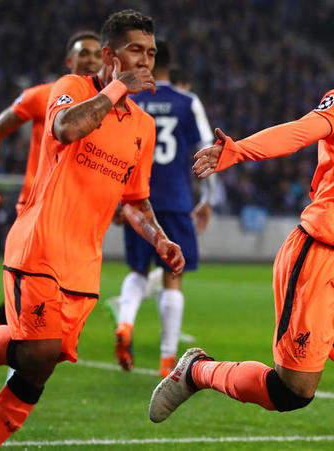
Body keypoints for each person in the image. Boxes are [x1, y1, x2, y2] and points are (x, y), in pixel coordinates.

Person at [149, 2, 334, 449]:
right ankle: (198, 371)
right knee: (291, 393)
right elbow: (303, 130)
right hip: (324, 257)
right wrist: (238, 150)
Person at [0, 10, 184, 450]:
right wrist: (118, 88)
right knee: (37, 350)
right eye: (135, 50)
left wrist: (159, 238)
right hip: (40, 244)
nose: (145, 61)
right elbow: (64, 128)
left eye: (151, 53)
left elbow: (134, 200)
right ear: (109, 55)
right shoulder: (71, 89)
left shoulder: (143, 125)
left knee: (40, 364)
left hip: (85, 263)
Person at [0, 30, 104, 402]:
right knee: (28, 314)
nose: (89, 60)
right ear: (69, 62)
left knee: (28, 313)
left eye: (96, 54)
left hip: (78, 228)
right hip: (35, 217)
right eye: (82, 54)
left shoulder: (107, 109)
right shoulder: (46, 95)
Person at [113, 40, 217, 377]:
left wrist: (115, 196)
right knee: (173, 276)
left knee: (138, 271)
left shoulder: (131, 98)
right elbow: (207, 148)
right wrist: (207, 199)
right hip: (175, 200)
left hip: (136, 198)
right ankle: (166, 360)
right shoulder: (187, 101)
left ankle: (126, 323)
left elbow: (114, 148)